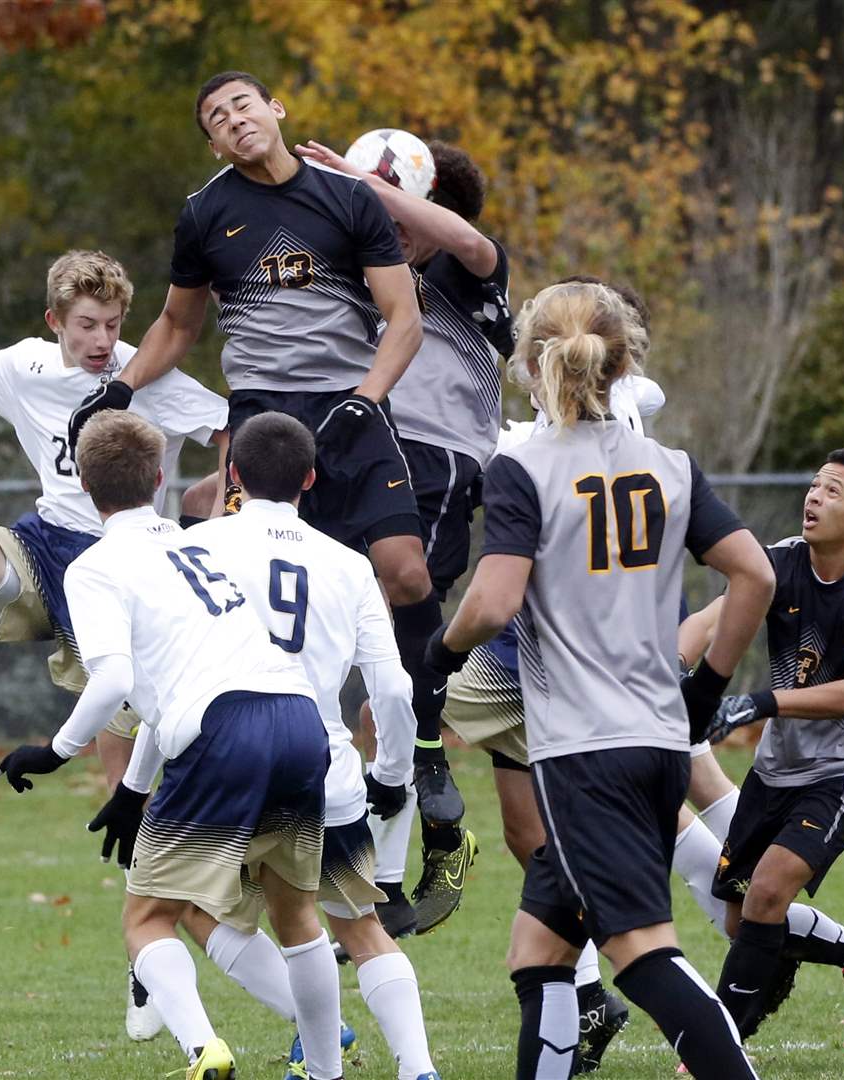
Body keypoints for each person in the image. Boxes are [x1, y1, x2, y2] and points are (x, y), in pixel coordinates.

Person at [0, 250, 227, 1041]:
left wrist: (209, 508)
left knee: (129, 793)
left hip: (127, 581)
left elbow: (232, 429)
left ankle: (146, 951)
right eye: (87, 325)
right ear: (54, 322)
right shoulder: (25, 365)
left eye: (114, 324)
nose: (102, 341)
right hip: (46, 549)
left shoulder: (143, 373)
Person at [423, 281, 776, 1079]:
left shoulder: (522, 465)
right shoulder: (672, 465)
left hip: (586, 755)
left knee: (643, 955)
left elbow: (495, 599)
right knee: (539, 954)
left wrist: (440, 660)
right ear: (622, 362)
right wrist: (704, 695)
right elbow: (753, 576)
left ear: (530, 362)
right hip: (651, 745)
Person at [65, 73, 449, 803]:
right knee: (242, 596)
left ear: (274, 109)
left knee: (406, 575)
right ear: (212, 142)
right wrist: (121, 388)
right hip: (263, 422)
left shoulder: (349, 199)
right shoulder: (206, 213)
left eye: (243, 104)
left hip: (351, 409)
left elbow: (404, 318)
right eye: (216, 116)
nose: (234, 119)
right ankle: (230, 749)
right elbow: (179, 325)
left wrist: (368, 400)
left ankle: (426, 752)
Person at [0, 410, 342, 1080]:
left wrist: (56, 750)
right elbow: (176, 676)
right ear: (159, 479)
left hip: (223, 731)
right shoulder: (200, 545)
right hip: (299, 721)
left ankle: (204, 1050)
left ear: (85, 487)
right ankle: (328, 1065)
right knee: (296, 914)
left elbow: (118, 681)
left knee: (149, 916)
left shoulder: (94, 567)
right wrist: (130, 793)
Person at [104, 411, 439, 1080]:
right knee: (353, 927)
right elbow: (395, 690)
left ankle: (240, 1050)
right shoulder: (348, 566)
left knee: (171, 910)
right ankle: (415, 1068)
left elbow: (162, 682)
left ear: (232, 475)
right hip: (324, 764)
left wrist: (133, 785)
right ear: (310, 480)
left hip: (224, 758)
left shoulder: (195, 550)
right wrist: (392, 774)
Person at [295, 135, 515, 934]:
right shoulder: (360, 268)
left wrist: (359, 181)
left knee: (408, 589)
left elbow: (470, 241)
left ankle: (427, 760)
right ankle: (391, 872)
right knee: (368, 682)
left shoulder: (460, 271)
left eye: (392, 198)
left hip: (442, 458)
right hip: (362, 447)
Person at [696, 448, 844, 1052]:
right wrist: (665, 668)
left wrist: (761, 704)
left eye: (832, 491)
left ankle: (720, 1049)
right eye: (814, 486)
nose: (813, 498)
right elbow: (710, 622)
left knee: (767, 895)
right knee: (745, 921)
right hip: (776, 770)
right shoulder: (778, 564)